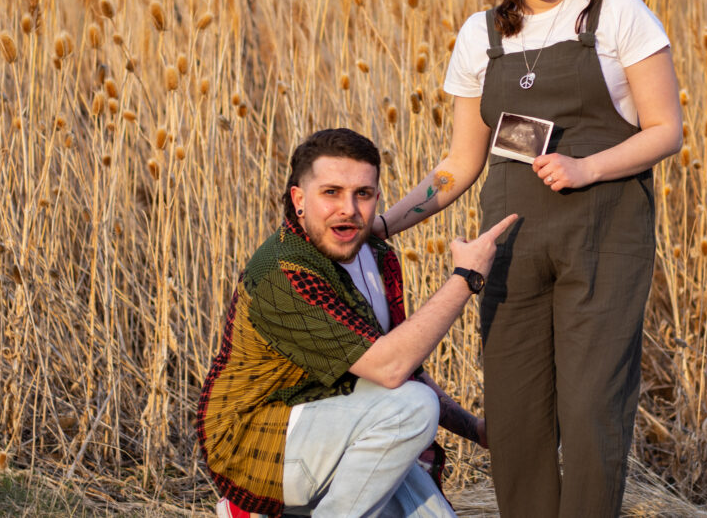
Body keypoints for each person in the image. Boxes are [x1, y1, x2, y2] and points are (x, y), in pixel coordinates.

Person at [379, 0, 683, 516]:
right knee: (515, 420)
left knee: (592, 409)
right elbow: (460, 164)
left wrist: (587, 167)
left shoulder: (616, 12)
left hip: (603, 243)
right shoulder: (480, 34)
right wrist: (385, 224)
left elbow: (665, 130)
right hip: (510, 250)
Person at [196, 128, 517, 518]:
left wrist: (474, 429)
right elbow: (391, 369)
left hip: (336, 425)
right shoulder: (282, 273)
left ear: (377, 198)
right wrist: (465, 278)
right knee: (412, 407)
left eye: (362, 194)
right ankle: (253, 509)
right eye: (331, 192)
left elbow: (405, 369)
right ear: (299, 199)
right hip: (257, 443)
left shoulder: (377, 257)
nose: (348, 208)